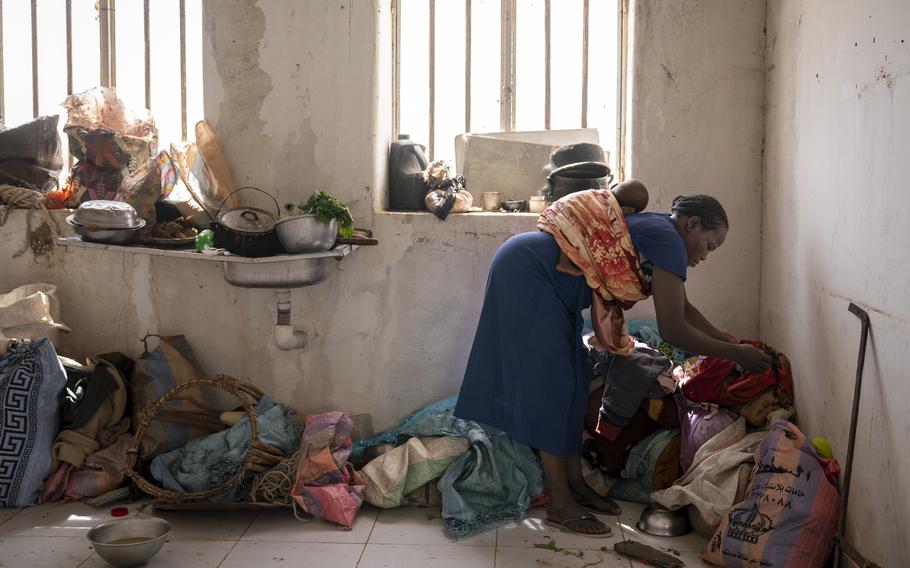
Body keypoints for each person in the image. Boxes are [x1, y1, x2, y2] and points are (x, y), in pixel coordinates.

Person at [454, 182, 771, 537]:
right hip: (531, 273)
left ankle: (576, 484)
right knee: (552, 385)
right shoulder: (669, 240)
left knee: (574, 377)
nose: (705, 256)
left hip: (542, 276)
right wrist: (735, 352)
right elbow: (673, 329)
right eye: (709, 245)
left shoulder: (664, 233)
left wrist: (724, 339)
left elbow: (685, 308)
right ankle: (560, 503)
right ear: (692, 224)